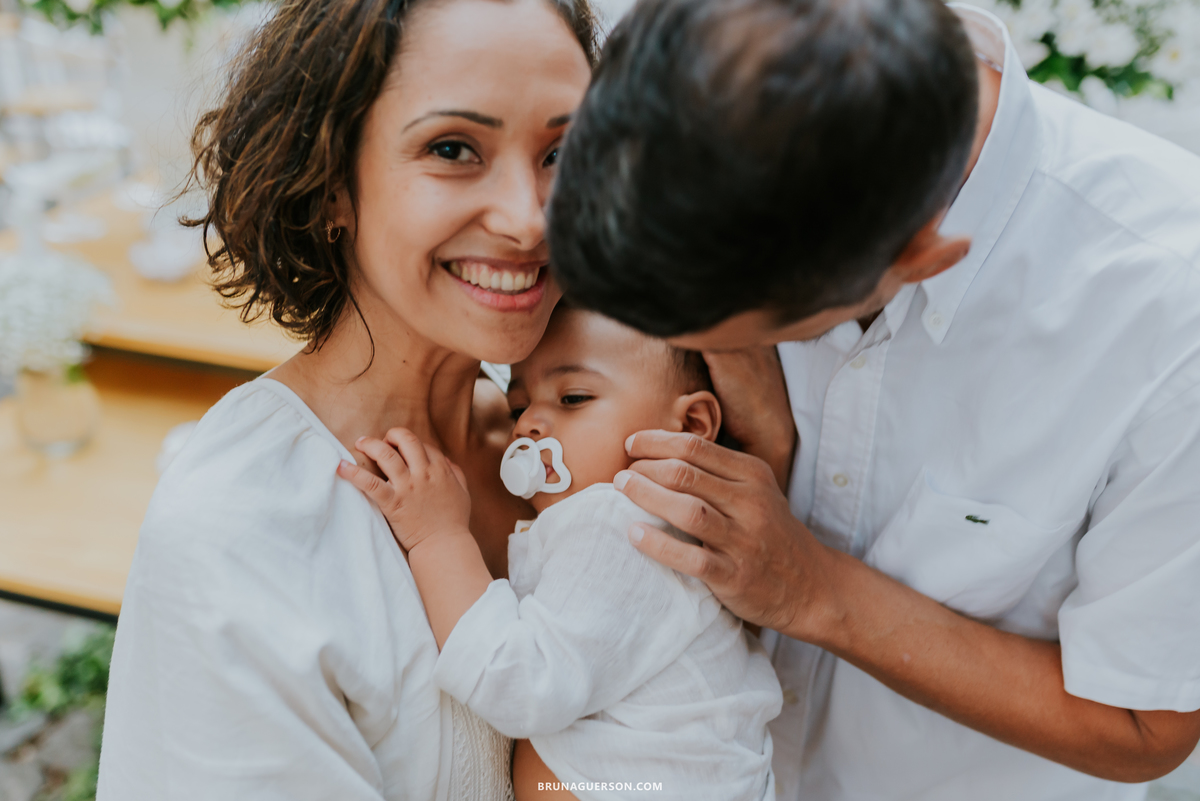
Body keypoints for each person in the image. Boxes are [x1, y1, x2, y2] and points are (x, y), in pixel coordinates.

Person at [546, 0, 1200, 799]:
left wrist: (813, 588)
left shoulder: (1170, 317)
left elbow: (1142, 727)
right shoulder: (714, 81)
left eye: (727, 329)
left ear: (921, 258)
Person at [97, 0, 597, 798]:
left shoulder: (572, 442)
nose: (528, 219)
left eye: (563, 151)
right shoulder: (239, 539)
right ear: (329, 182)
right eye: (453, 148)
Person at [340, 305, 783, 800]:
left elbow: (521, 684)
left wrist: (439, 538)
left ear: (691, 425)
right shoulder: (644, 524)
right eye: (517, 407)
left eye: (573, 397)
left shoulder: (620, 524)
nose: (529, 422)